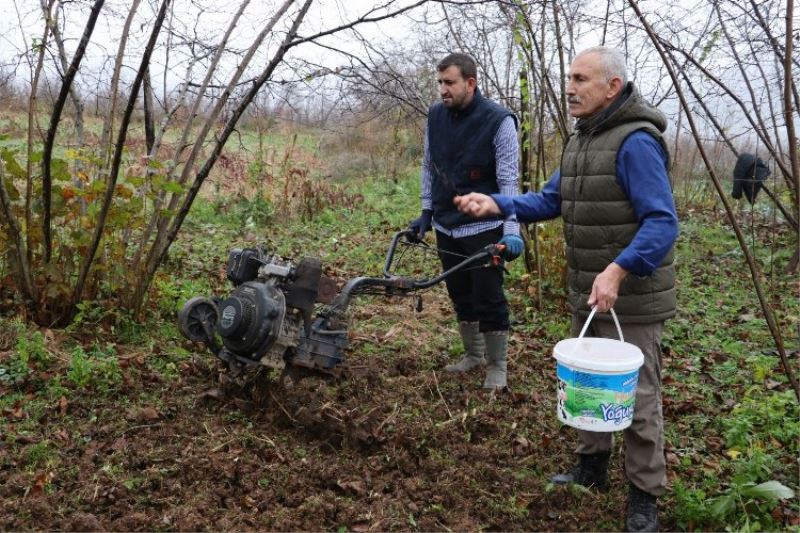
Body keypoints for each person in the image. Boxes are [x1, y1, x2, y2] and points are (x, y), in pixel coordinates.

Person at [453, 46, 678, 532]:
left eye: (580, 78)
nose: (569, 87)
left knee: (637, 398)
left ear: (612, 87)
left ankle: (644, 497)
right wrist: (494, 204)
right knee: (589, 384)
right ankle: (591, 468)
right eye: (568, 77)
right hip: (590, 292)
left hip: (631, 298)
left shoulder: (635, 142)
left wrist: (618, 271)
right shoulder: (582, 140)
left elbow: (662, 223)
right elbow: (551, 199)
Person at [407, 52, 524, 390]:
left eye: (450, 83)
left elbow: (508, 182)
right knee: (459, 293)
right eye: (440, 82)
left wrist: (512, 230)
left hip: (485, 228)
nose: (443, 89)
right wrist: (426, 212)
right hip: (447, 223)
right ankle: (473, 354)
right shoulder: (435, 115)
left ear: (470, 83)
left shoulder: (499, 121)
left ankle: (497, 365)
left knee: (488, 296)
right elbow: (429, 165)